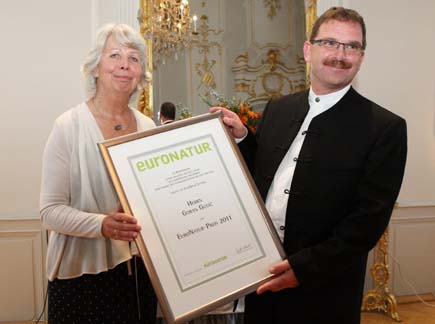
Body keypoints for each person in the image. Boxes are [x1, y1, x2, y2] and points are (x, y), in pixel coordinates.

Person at [211, 7, 407, 324]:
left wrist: (303, 269)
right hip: (261, 278)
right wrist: (243, 136)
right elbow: (264, 170)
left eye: (351, 46)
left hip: (325, 291)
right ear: (308, 50)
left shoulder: (385, 128)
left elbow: (366, 223)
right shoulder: (277, 108)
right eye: (329, 42)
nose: (340, 55)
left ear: (361, 56)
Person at [40, 23, 157, 323]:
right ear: (95, 68)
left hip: (139, 273)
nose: (124, 65)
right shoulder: (68, 126)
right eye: (114, 55)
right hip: (80, 277)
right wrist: (102, 224)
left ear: (140, 72)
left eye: (134, 58)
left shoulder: (148, 129)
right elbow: (50, 212)